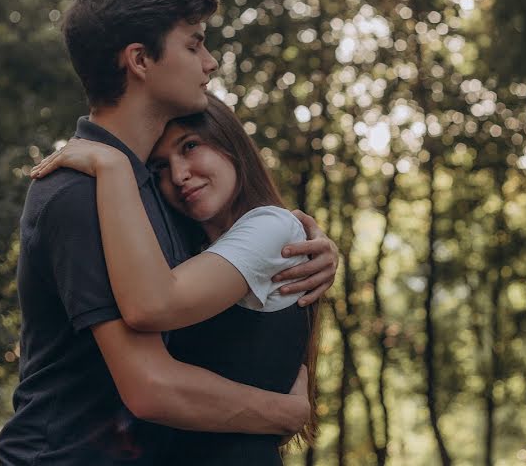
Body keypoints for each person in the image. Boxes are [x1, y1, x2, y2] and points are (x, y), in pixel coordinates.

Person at [0, 0, 337, 465]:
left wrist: (314, 249)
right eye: (194, 44)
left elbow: (225, 288)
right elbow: (150, 385)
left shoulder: (156, 193)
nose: (210, 62)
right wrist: (284, 413)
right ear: (139, 60)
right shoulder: (78, 191)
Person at [30, 93, 322, 464]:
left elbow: (153, 305)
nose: (179, 175)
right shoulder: (195, 251)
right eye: (159, 168)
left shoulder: (271, 225)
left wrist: (113, 166)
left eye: (190, 146)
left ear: (230, 143)